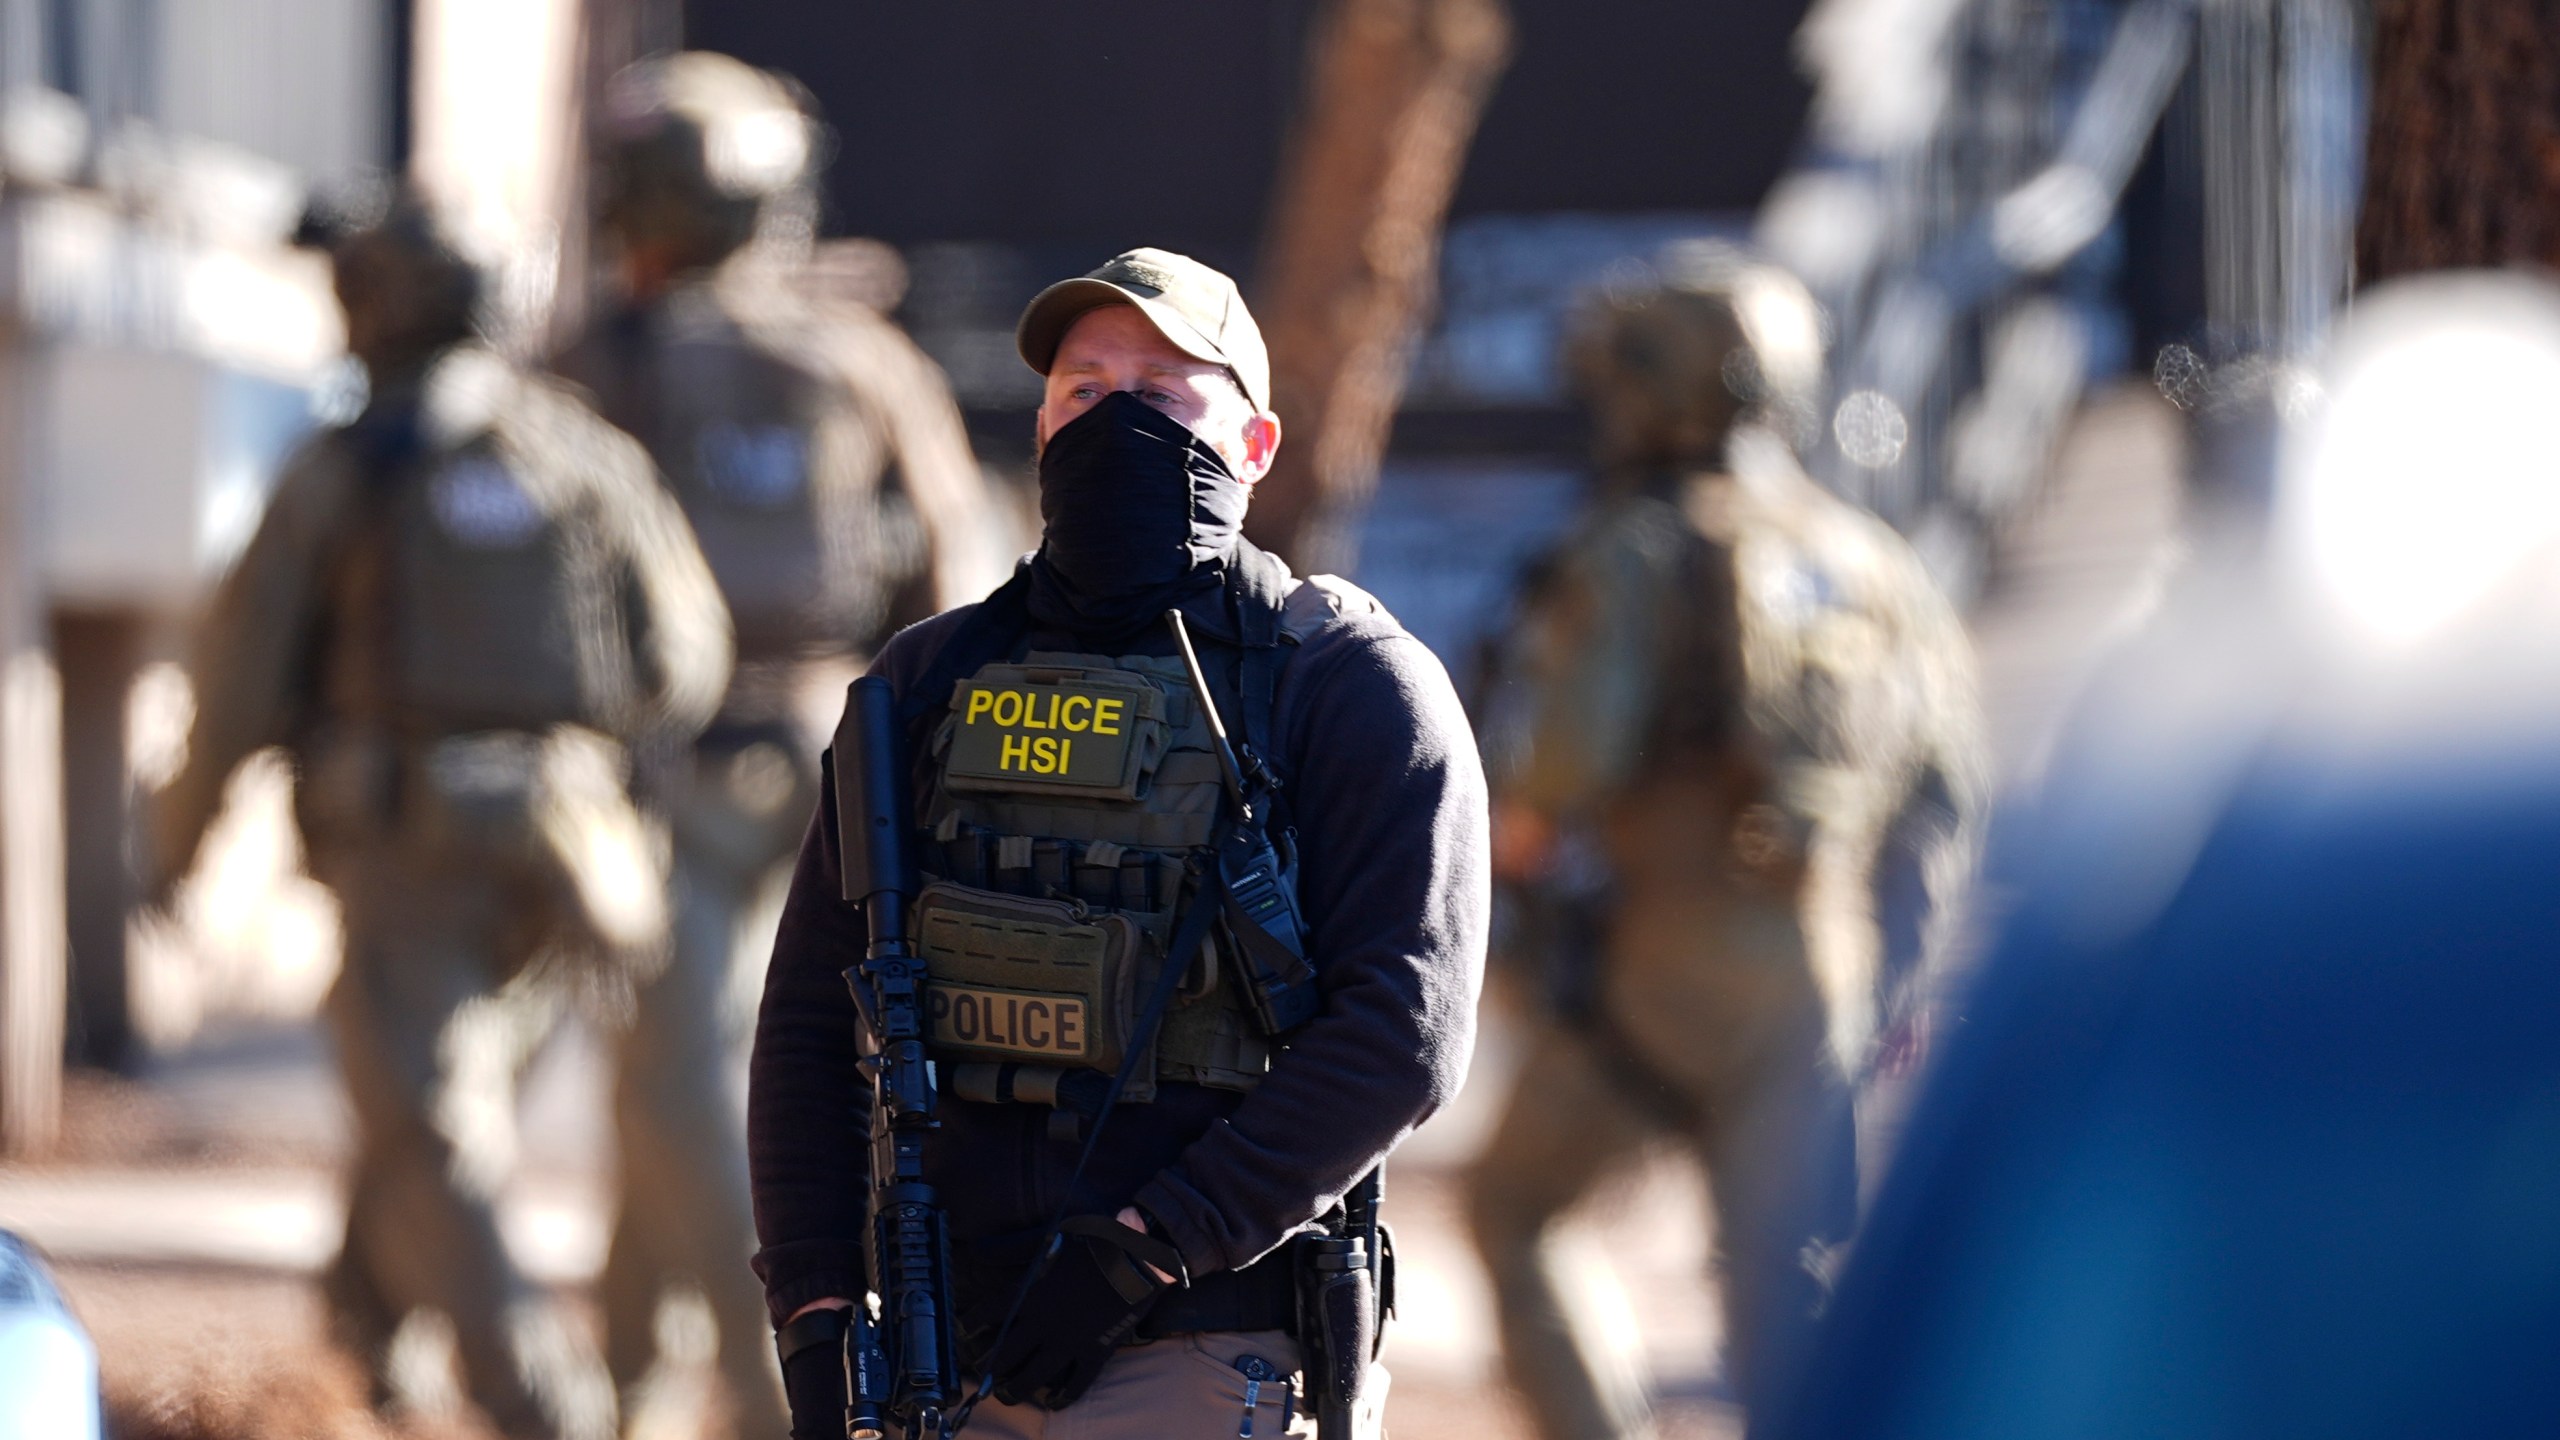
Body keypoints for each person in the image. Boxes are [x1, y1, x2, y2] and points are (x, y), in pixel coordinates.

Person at [746, 248, 1489, 1439]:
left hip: (1202, 1339)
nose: (1113, 422)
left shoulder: (1344, 684)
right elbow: (809, 1015)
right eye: (1084, 391)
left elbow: (1402, 1034)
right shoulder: (926, 678)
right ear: (1043, 428)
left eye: (1160, 394)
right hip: (943, 1340)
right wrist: (814, 1302)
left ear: (1254, 446)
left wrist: (1147, 1250)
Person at [151, 191, 732, 1440]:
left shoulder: (347, 470)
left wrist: (173, 847)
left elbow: (237, 677)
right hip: (574, 855)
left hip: (407, 846)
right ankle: (367, 1352)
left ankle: (545, 1409)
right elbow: (684, 660)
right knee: (424, 1112)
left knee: (430, 1131)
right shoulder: (582, 455)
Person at [551, 51, 1000, 1435]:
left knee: (689, 1085)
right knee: (684, 1086)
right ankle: (649, 1384)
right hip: (798, 759)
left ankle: (760, 1400)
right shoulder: (853, 357)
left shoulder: (602, 365)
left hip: (703, 769)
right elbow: (960, 577)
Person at [1467, 244, 1986, 1436]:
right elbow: (1944, 796)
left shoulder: (1634, 550)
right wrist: (1896, 973)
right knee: (1784, 1283)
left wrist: (1511, 862)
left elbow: (1557, 775)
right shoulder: (1870, 561)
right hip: (1824, 973)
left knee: (1516, 1210)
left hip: (1656, 968)